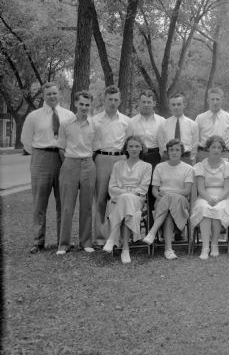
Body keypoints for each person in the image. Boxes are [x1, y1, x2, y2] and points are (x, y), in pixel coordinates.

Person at [21, 81, 75, 253]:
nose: (52, 96)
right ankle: (38, 241)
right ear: (43, 96)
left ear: (60, 94)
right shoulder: (33, 116)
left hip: (63, 158)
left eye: (55, 93)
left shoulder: (69, 115)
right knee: (39, 202)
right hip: (41, 157)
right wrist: (41, 152)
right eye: (48, 94)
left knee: (64, 202)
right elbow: (26, 141)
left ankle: (63, 241)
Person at [56, 91, 96, 255]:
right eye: (82, 104)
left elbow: (95, 146)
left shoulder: (94, 124)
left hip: (88, 163)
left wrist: (86, 161)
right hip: (70, 163)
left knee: (86, 205)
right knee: (67, 206)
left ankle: (85, 242)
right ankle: (63, 244)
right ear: (75, 104)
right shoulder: (65, 123)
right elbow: (61, 148)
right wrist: (70, 162)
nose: (84, 107)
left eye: (87, 105)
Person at [102, 135, 152, 263]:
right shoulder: (118, 165)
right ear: (126, 148)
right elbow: (112, 187)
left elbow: (143, 189)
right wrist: (125, 193)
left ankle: (112, 238)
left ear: (141, 148)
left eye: (137, 146)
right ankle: (125, 250)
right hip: (118, 200)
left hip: (137, 200)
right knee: (126, 208)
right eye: (131, 146)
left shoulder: (147, 166)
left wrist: (126, 193)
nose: (134, 149)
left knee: (127, 199)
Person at [142, 139, 194, 260]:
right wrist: (161, 196)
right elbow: (154, 190)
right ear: (167, 152)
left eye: (177, 150)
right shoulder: (160, 167)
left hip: (181, 201)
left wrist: (169, 194)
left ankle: (152, 232)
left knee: (170, 197)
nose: (174, 152)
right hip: (161, 201)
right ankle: (168, 250)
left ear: (182, 152)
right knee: (168, 214)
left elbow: (187, 191)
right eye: (171, 150)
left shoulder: (188, 168)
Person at [93, 85, 130, 247]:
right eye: (110, 99)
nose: (113, 103)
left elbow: (129, 143)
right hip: (102, 158)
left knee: (119, 198)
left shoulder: (126, 121)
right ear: (104, 100)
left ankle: (119, 237)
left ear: (120, 101)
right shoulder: (95, 120)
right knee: (100, 199)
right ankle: (101, 237)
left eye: (116, 100)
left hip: (120, 159)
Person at [190, 135, 229, 260]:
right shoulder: (201, 165)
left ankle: (214, 244)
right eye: (213, 147)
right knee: (204, 208)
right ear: (208, 149)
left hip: (223, 197)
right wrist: (209, 199)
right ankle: (205, 246)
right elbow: (200, 188)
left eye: (219, 147)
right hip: (205, 196)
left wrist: (218, 199)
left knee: (218, 209)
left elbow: (227, 188)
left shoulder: (227, 165)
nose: (216, 150)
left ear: (222, 150)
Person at [126, 90, 165, 224]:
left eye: (149, 102)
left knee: (154, 191)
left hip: (155, 158)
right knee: (139, 191)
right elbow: (128, 142)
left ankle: (154, 226)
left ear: (153, 103)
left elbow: (162, 144)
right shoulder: (132, 122)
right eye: (143, 102)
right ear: (139, 103)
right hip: (138, 158)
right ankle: (135, 224)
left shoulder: (161, 121)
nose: (146, 105)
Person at [195, 87, 229, 161]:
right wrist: (199, 154)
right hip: (204, 155)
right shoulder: (200, 118)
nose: (215, 102)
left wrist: (227, 154)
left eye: (217, 99)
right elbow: (195, 139)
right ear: (208, 100)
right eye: (212, 99)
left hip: (223, 155)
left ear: (222, 100)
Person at [158, 93, 198, 165]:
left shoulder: (193, 125)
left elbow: (194, 145)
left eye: (179, 104)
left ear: (184, 105)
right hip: (167, 157)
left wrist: (191, 159)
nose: (176, 107)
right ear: (170, 106)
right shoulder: (163, 124)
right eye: (173, 105)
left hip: (185, 158)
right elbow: (161, 145)